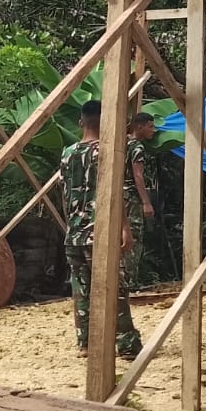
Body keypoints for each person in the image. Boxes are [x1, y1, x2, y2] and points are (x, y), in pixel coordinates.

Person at [61, 100, 142, 360]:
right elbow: (114, 192)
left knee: (81, 290)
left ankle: (85, 342)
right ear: (105, 122)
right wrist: (125, 228)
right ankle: (126, 343)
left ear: (80, 122)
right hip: (101, 232)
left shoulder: (68, 153)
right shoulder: (108, 151)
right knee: (115, 288)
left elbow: (64, 194)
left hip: (74, 233)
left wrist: (71, 224)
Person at [125, 112, 159, 287]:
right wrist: (146, 202)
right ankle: (130, 281)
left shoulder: (121, 143)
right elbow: (138, 176)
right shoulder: (137, 147)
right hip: (132, 198)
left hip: (119, 197)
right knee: (133, 237)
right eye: (150, 126)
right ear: (139, 127)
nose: (153, 130)